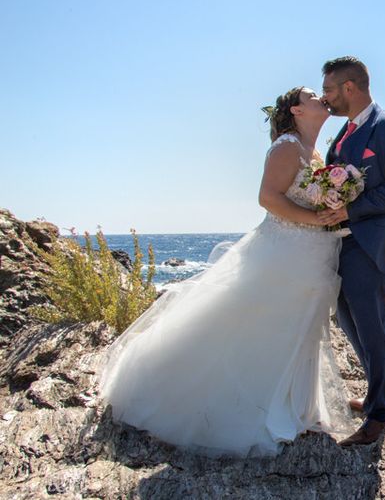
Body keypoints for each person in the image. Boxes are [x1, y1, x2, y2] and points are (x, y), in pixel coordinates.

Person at [97, 87, 354, 457]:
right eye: (313, 95)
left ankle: (295, 406)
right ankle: (239, 406)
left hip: (313, 253)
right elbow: (268, 198)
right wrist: (318, 219)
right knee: (264, 325)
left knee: (301, 326)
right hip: (283, 252)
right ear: (297, 110)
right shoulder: (286, 146)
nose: (321, 98)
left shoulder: (314, 153)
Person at [320, 56, 385, 446]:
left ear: (350, 87)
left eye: (330, 90)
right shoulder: (343, 133)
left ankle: (381, 414)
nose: (325, 98)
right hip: (342, 244)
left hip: (375, 246)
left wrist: (352, 208)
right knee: (349, 323)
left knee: (373, 329)